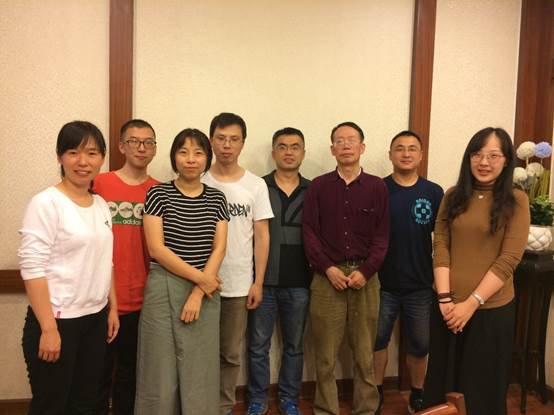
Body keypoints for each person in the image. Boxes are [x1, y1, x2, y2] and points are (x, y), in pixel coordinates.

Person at [423, 127, 530, 415]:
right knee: (442, 385)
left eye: (493, 155)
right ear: (468, 158)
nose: (484, 162)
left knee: (481, 391)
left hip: (490, 311)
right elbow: (441, 244)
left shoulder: (517, 200)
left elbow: (509, 258)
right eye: (477, 154)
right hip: (446, 309)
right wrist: (445, 298)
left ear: (506, 161)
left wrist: (470, 304)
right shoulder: (452, 195)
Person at [18, 120, 119, 414]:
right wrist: (48, 328)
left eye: (92, 153)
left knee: (86, 404)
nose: (83, 161)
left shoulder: (101, 205)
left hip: (95, 319)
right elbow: (32, 268)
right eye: (73, 152)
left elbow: (106, 261)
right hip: (57, 321)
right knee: (51, 405)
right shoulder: (46, 203)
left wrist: (112, 308)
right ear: (60, 157)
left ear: (102, 158)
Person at [134, 128, 228, 414]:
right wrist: (204, 280)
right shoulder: (158, 194)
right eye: (183, 152)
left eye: (198, 153)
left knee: (201, 368)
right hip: (164, 285)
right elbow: (156, 249)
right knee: (158, 369)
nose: (191, 159)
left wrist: (199, 292)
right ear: (174, 157)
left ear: (207, 158)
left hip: (204, 293)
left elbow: (219, 248)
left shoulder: (217, 198)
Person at [303, 121, 389, 415]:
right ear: (332, 149)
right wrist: (328, 268)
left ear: (362, 147)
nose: (346, 145)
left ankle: (365, 410)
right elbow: (309, 232)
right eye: (339, 141)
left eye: (351, 140)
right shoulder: (318, 186)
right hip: (326, 278)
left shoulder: (377, 186)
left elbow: (382, 236)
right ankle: (326, 410)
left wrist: (366, 271)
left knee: (364, 354)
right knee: (325, 356)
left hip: (366, 278)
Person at [202, 112, 274, 415]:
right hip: (199, 282)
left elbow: (262, 235)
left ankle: (223, 407)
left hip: (238, 283)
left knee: (230, 354)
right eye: (221, 138)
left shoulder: (255, 185)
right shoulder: (198, 180)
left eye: (234, 139)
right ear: (211, 141)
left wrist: (258, 282)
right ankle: (199, 405)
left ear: (243, 143)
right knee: (199, 353)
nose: (227, 145)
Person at [373, 130, 443, 413]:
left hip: (420, 284)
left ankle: (417, 393)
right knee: (377, 341)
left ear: (421, 155)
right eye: (399, 148)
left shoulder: (434, 192)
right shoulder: (378, 189)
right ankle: (376, 392)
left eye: (412, 148)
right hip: (381, 283)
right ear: (390, 154)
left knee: (420, 344)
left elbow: (443, 239)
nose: (406, 153)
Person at [93, 119, 159, 414]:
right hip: (99, 298)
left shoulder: (159, 191)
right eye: (134, 141)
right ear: (121, 146)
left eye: (148, 142)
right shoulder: (99, 183)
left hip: (142, 298)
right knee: (97, 373)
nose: (142, 148)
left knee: (130, 374)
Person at [246, 128, 311, 415]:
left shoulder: (314, 190)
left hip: (300, 283)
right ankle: (257, 399)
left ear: (303, 153)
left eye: (295, 147)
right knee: (258, 345)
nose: (288, 152)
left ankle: (289, 398)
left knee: (294, 346)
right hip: (264, 281)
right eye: (282, 146)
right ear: (273, 152)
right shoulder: (258, 187)